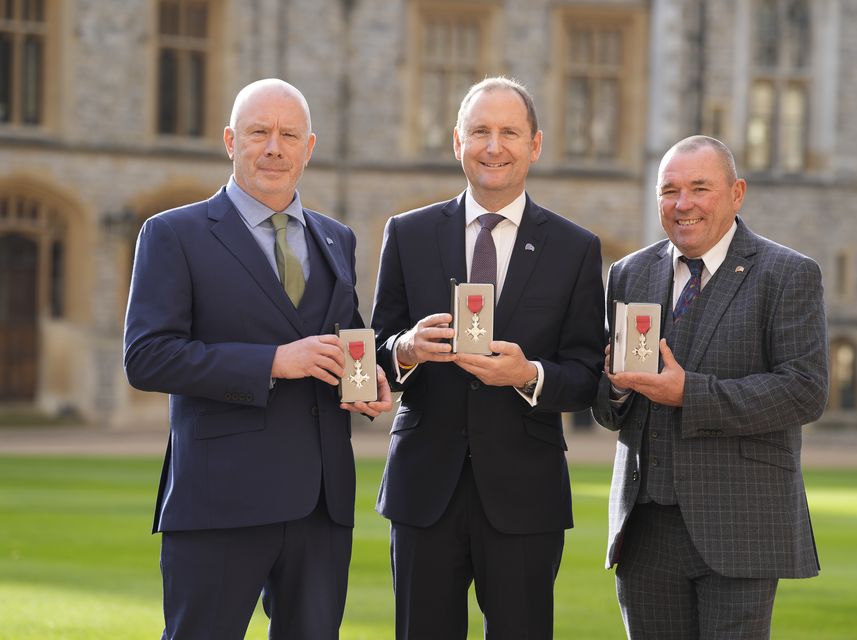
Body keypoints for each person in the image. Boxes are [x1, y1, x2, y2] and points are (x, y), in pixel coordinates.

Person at [123, 78, 391, 640]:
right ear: (230, 140)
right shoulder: (174, 234)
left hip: (320, 505)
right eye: (259, 132)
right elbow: (147, 358)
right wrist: (272, 362)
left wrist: (369, 382)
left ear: (309, 147)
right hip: (220, 499)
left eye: (288, 134)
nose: (274, 147)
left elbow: (349, 339)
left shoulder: (336, 238)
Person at [371, 77, 605, 639]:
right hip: (425, 489)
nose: (493, 146)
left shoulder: (575, 248)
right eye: (480, 131)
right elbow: (374, 353)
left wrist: (530, 375)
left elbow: (588, 376)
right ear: (457, 142)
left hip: (526, 495)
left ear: (535, 144)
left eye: (509, 132)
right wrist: (402, 351)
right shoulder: (407, 233)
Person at [593, 135, 828, 639]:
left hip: (740, 525)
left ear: (737, 193)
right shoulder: (628, 274)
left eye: (700, 187)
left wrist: (689, 394)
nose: (683, 204)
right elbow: (609, 412)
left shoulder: (788, 274)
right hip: (645, 528)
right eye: (669, 190)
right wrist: (614, 387)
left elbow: (805, 390)